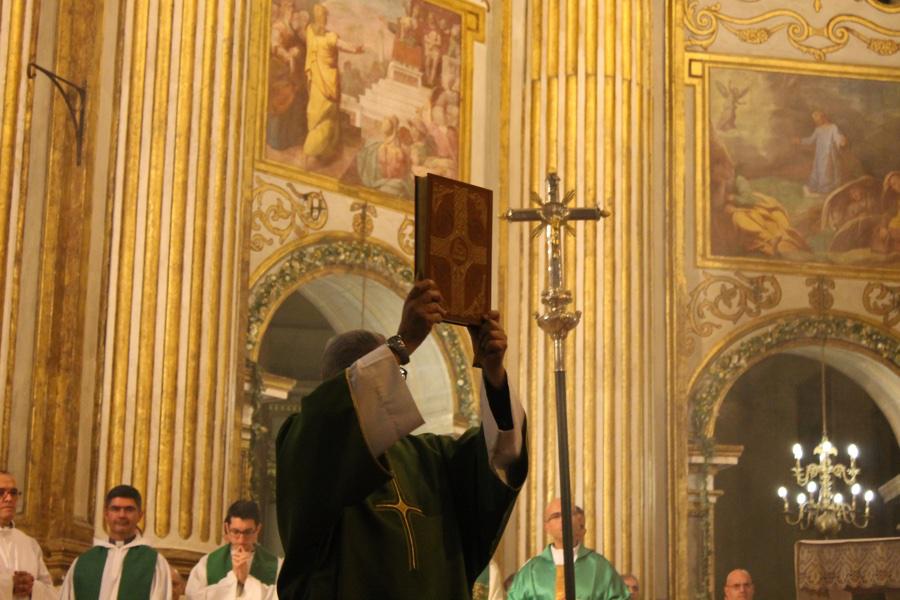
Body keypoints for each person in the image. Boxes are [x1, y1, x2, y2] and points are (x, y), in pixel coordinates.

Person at [275, 279, 527, 599]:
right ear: (338, 390)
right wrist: (401, 344)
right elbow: (330, 422)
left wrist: (494, 373)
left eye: (397, 374)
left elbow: (501, 455)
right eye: (390, 372)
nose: (396, 387)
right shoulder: (309, 447)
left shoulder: (432, 457)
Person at [60, 485, 172, 599]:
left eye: (129, 509)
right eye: (115, 509)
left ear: (140, 515)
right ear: (106, 514)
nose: (122, 515)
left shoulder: (154, 563)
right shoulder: (83, 563)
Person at [507, 498, 629, 600]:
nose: (563, 519)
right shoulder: (530, 571)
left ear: (578, 521)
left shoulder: (600, 567)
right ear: (546, 527)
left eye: (569, 514)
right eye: (556, 516)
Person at [302, 3, 364, 164]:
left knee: (317, 113)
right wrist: (357, 49)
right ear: (321, 18)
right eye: (323, 16)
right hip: (326, 82)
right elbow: (346, 46)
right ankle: (317, 149)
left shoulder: (311, 32)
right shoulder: (328, 37)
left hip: (319, 81)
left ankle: (319, 150)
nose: (325, 19)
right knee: (324, 115)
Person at [186, 500, 282, 599]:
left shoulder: (276, 565)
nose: (241, 540)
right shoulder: (207, 563)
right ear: (227, 528)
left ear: (258, 529)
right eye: (236, 532)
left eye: (248, 532)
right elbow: (193, 596)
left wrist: (246, 580)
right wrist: (233, 578)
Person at [0, 471, 55, 599]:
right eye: (1, 492)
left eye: (13, 493)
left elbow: (51, 592)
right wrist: (9, 585)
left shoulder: (29, 544)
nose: (9, 498)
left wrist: (32, 587)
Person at [794, 110, 847, 197]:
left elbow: (837, 137)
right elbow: (811, 140)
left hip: (828, 154)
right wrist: (800, 141)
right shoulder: (818, 129)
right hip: (819, 154)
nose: (817, 122)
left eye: (818, 120)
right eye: (816, 121)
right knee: (818, 170)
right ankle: (816, 189)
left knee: (827, 171)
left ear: (824, 118)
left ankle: (826, 191)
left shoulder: (833, 127)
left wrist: (841, 141)